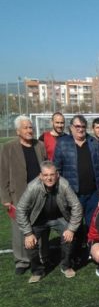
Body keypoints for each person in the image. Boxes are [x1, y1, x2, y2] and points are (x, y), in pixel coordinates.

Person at [54, 114, 99, 265]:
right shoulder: (63, 143)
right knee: (75, 225)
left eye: (83, 127)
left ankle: (91, 251)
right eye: (77, 126)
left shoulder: (93, 142)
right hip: (73, 194)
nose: (80, 129)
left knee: (93, 223)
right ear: (71, 128)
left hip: (93, 192)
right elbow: (57, 168)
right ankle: (75, 254)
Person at [16, 161, 83, 283]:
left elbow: (76, 206)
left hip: (59, 218)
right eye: (46, 175)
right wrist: (28, 233)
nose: (49, 178)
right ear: (40, 176)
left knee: (69, 237)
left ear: (57, 174)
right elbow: (20, 209)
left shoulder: (64, 184)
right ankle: (37, 271)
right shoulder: (32, 187)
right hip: (38, 220)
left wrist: (71, 229)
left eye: (52, 174)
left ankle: (66, 266)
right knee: (29, 243)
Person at [1, 115, 47, 274]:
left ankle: (40, 257)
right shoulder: (9, 148)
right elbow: (3, 174)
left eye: (30, 127)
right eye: (26, 127)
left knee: (39, 227)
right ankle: (22, 261)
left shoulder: (40, 145)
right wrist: (6, 198)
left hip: (39, 194)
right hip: (18, 195)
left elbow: (46, 167)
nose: (29, 130)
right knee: (19, 229)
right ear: (18, 131)